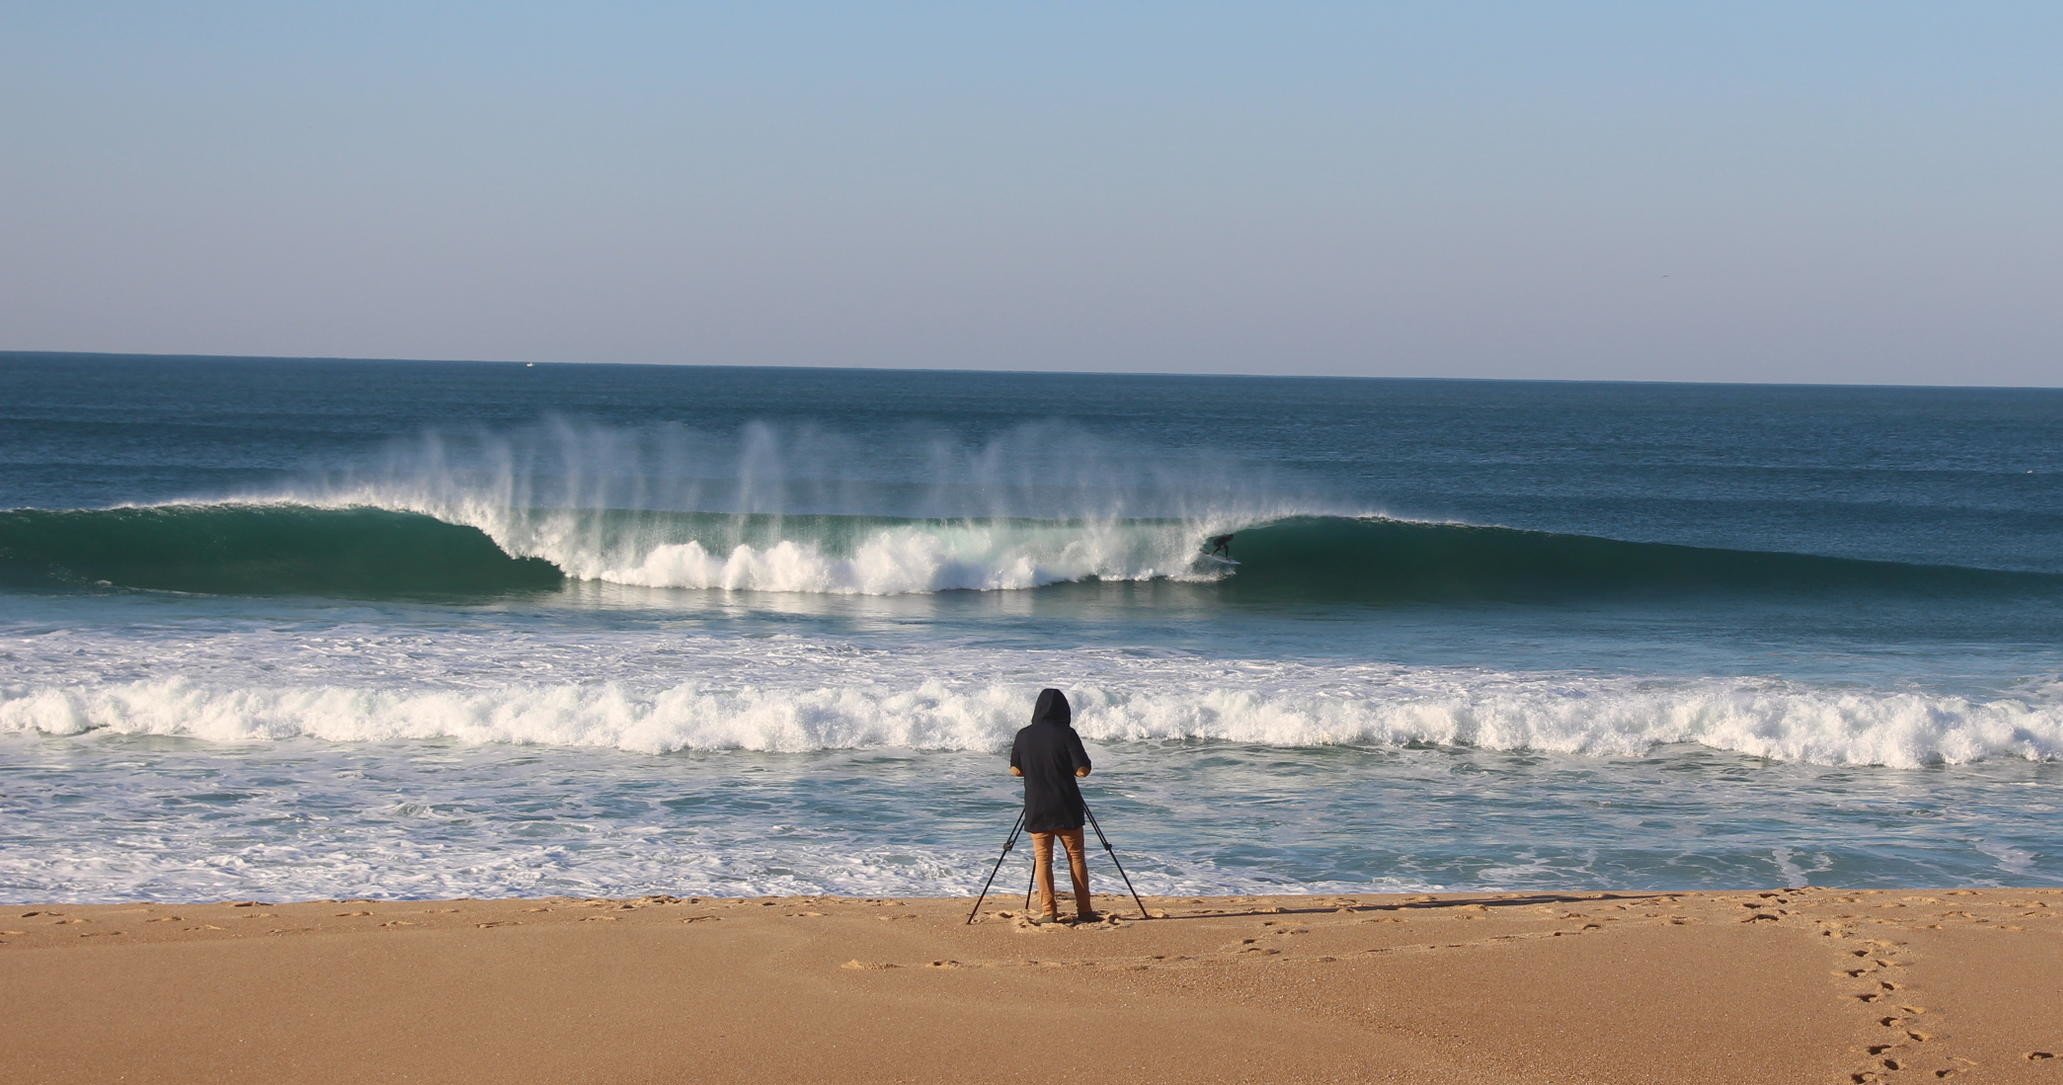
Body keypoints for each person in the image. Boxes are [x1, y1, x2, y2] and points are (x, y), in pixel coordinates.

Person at [1009, 688, 1097, 924]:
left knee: (1043, 859)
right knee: (1076, 857)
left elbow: (1015, 770)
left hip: (1037, 806)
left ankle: (1049, 911)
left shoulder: (1023, 735)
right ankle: (1085, 911)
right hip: (1067, 805)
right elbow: (1083, 770)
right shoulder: (1067, 734)